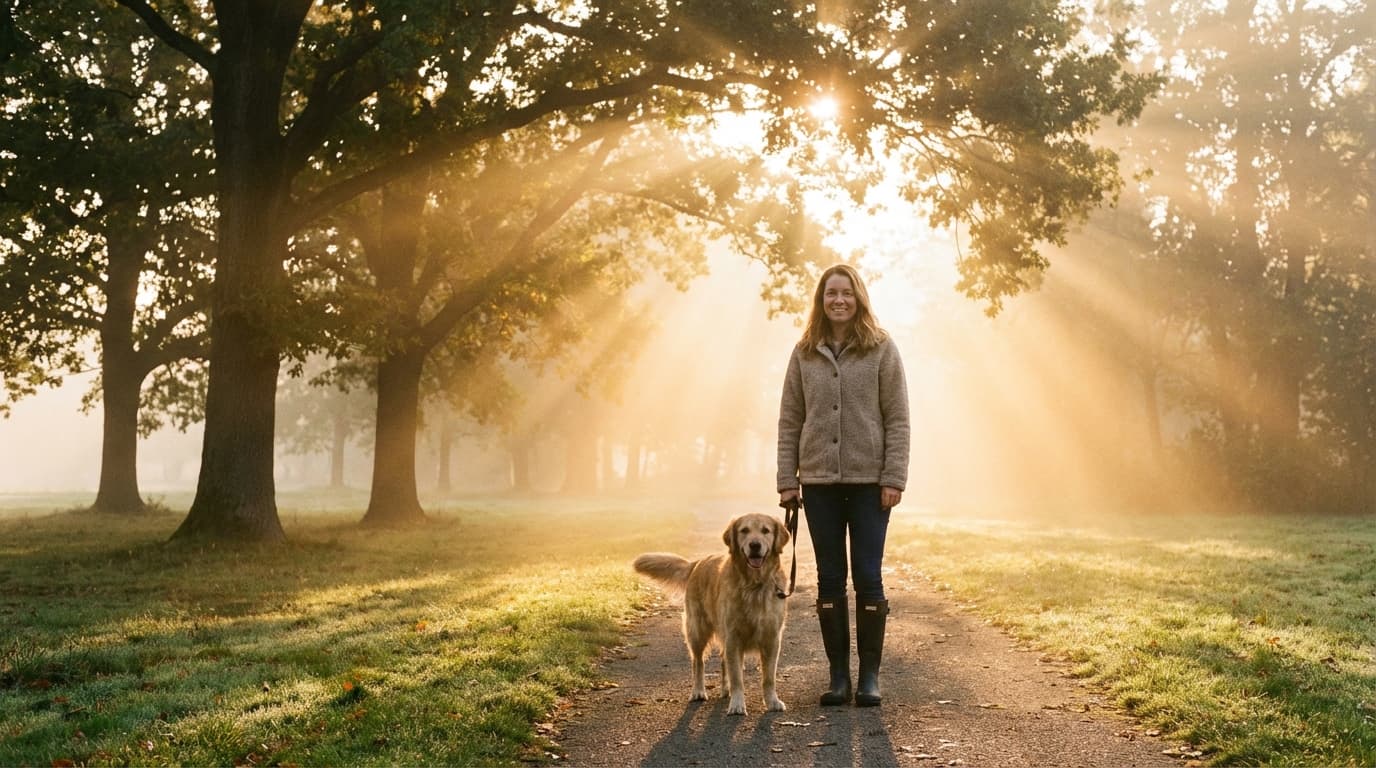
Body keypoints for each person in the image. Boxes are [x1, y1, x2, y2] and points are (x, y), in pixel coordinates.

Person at [777, 263, 910, 707]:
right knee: (830, 580)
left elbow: (898, 418)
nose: (839, 300)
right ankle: (839, 678)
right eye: (831, 292)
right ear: (821, 299)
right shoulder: (804, 351)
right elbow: (790, 420)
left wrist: (894, 477)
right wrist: (787, 481)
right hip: (818, 485)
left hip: (872, 485)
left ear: (859, 298)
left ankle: (869, 677)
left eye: (847, 293)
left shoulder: (881, 348)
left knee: (868, 577)